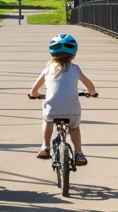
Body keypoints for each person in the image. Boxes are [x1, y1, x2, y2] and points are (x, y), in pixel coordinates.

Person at [27, 33, 96, 165]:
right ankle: (79, 153)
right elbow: (91, 88)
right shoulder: (76, 69)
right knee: (74, 128)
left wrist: (35, 95)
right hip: (73, 110)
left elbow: (34, 91)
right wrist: (91, 93)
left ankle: (45, 146)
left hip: (53, 109)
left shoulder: (48, 69)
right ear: (73, 54)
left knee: (47, 119)